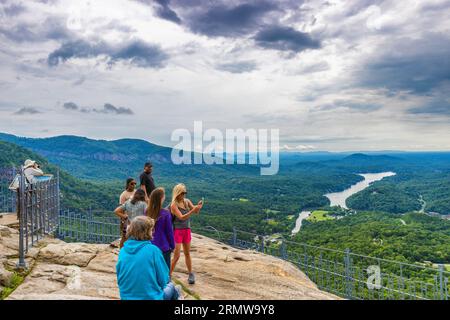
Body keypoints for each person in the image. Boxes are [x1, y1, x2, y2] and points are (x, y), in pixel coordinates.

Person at [116, 216, 182, 300]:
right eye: (151, 230)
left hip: (126, 297)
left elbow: (120, 278)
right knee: (173, 287)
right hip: (151, 297)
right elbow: (164, 280)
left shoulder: (123, 251)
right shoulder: (153, 251)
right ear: (146, 232)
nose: (153, 232)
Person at [170, 183, 203, 284]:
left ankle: (190, 274)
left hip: (186, 230)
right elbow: (181, 217)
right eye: (182, 193)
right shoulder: (173, 205)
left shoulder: (187, 201)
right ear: (177, 193)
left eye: (185, 193)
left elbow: (196, 211)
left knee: (187, 253)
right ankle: (168, 275)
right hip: (177, 231)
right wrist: (193, 210)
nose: (184, 195)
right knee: (176, 256)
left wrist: (199, 207)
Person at [147, 187, 175, 270]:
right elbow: (169, 232)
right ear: (161, 199)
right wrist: (172, 246)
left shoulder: (146, 211)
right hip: (164, 247)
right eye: (164, 196)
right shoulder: (165, 214)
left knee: (152, 271)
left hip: (149, 246)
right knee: (164, 272)